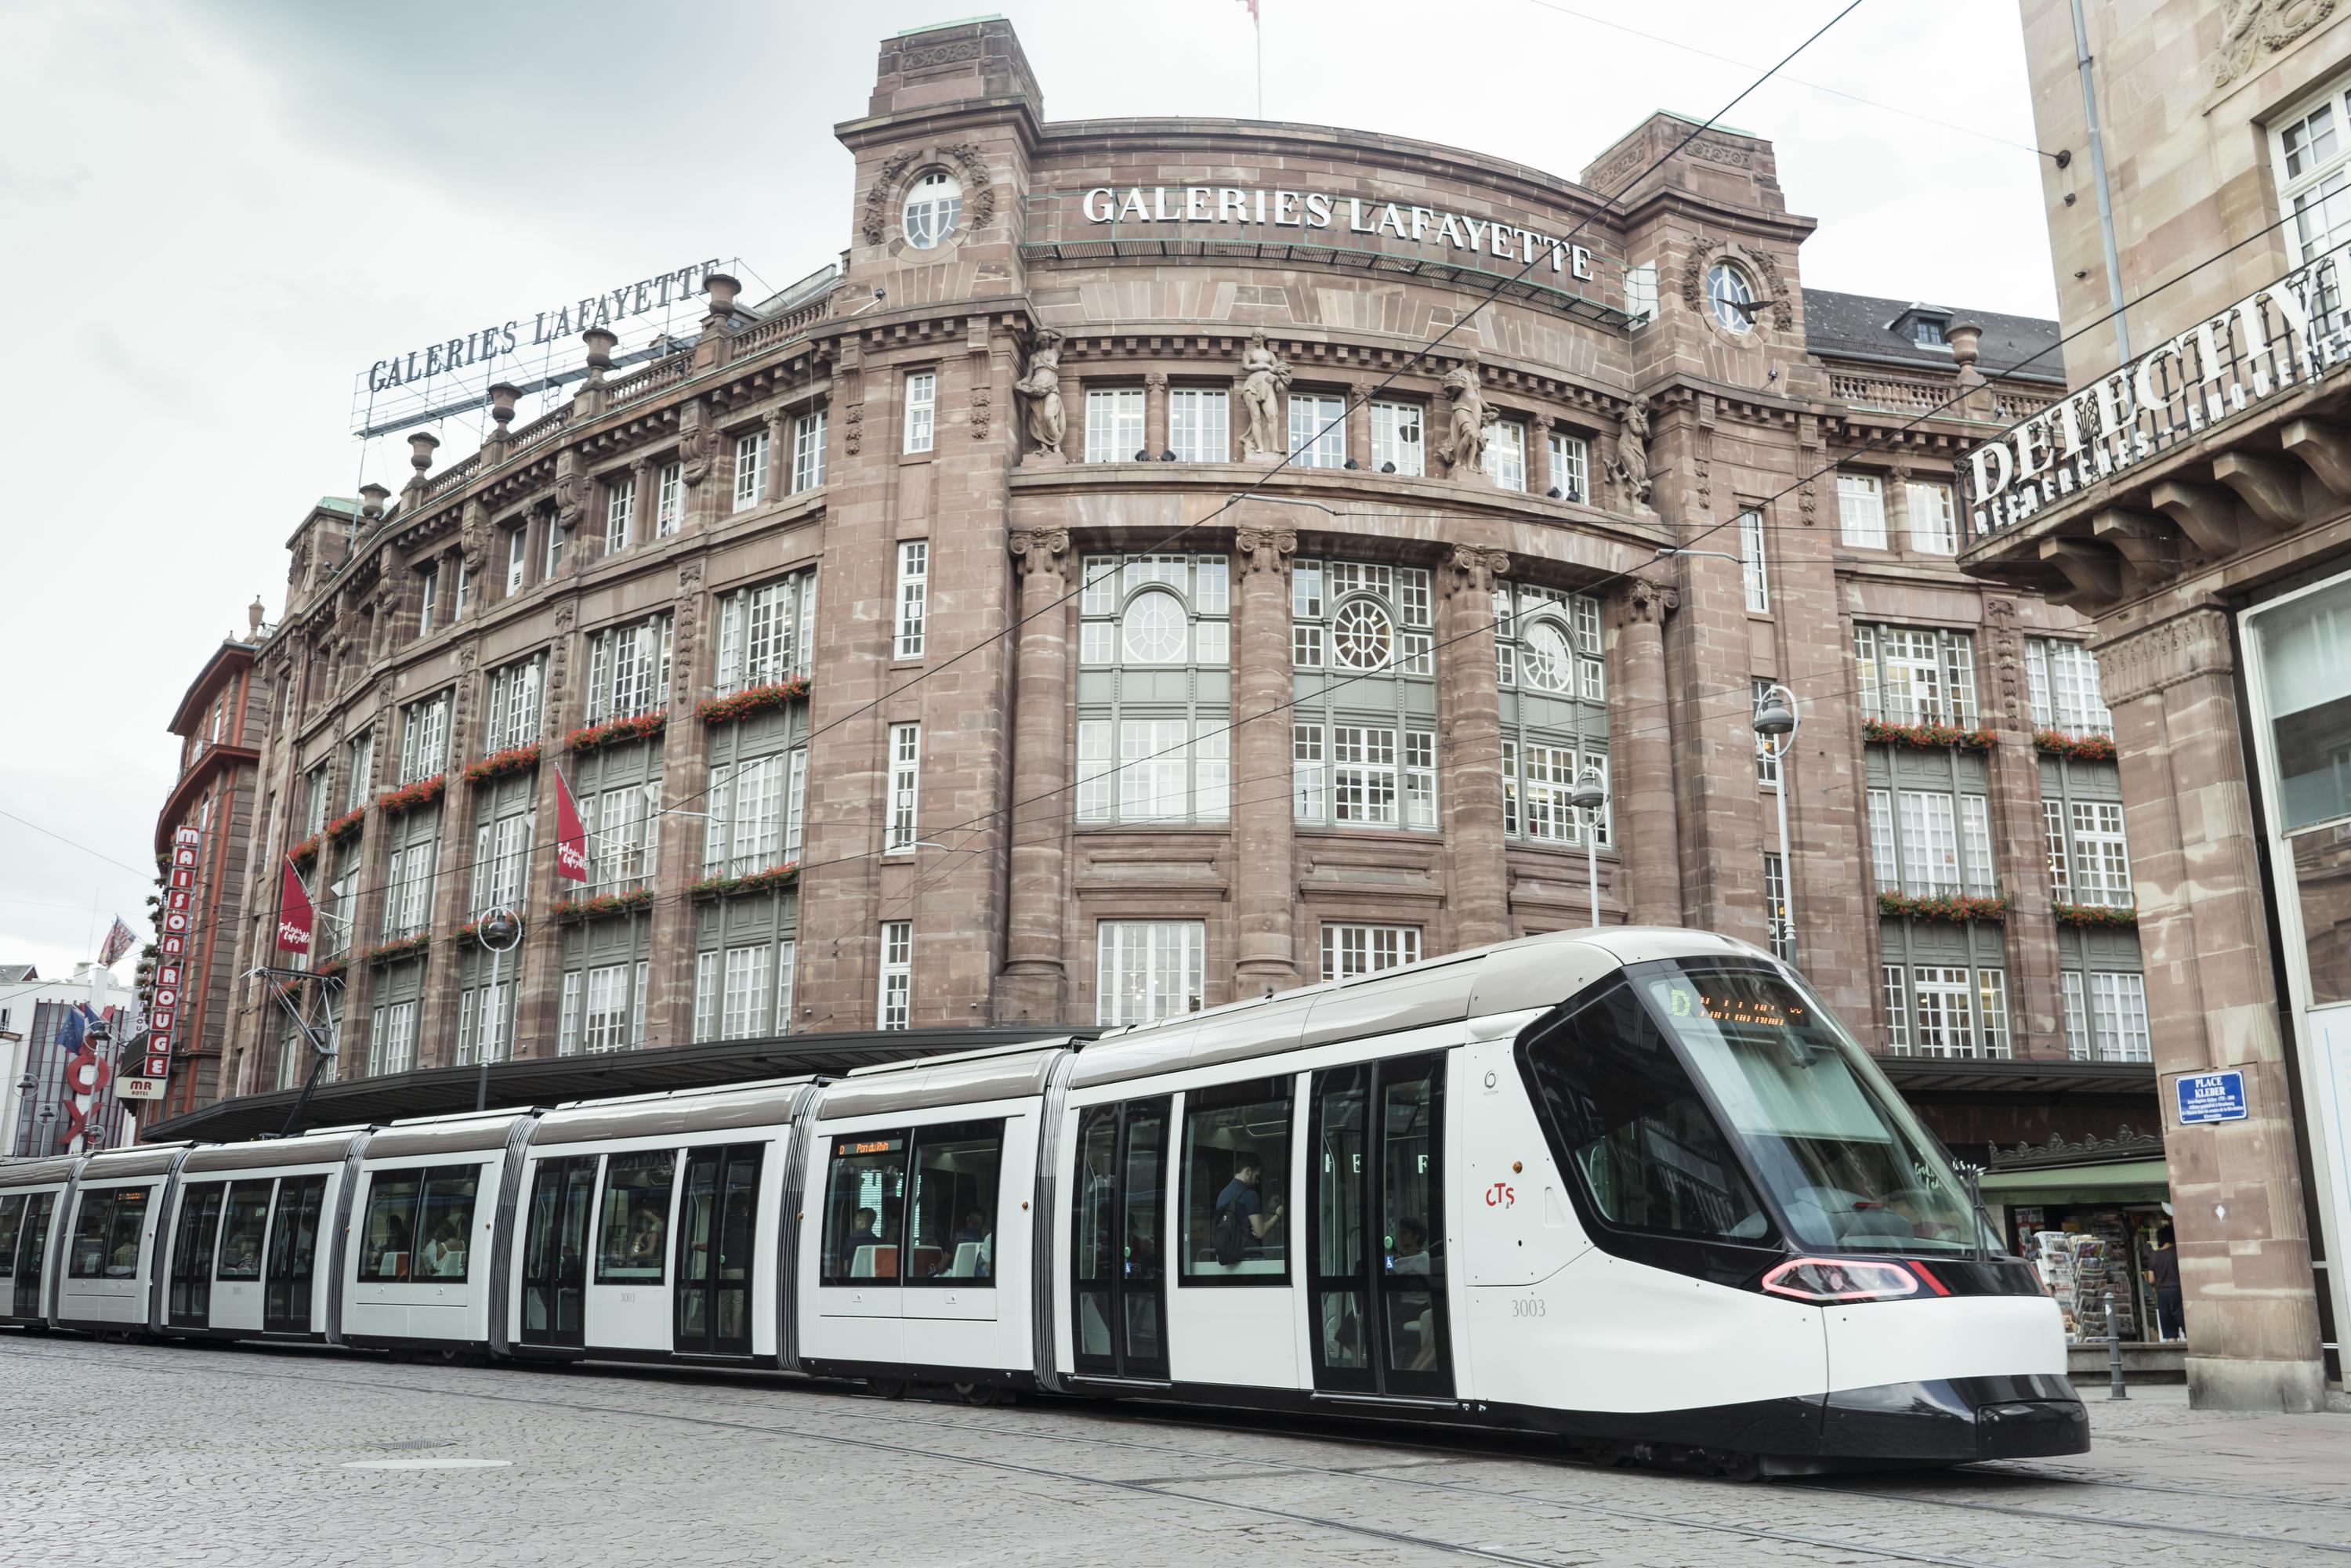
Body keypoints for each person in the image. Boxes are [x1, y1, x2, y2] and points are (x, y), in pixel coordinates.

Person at [1213, 1152, 1284, 1263]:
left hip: (1231, 1259)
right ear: (1248, 1171)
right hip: (1251, 1257)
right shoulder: (1250, 1195)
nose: (1257, 1182)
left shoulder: (1223, 1194)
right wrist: (1278, 1215)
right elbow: (1260, 1232)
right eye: (1257, 1176)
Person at [2145, 1225, 2184, 1342]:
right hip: (2178, 1292)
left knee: (2170, 1332)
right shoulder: (2178, 1253)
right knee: (2187, 1325)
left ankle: (2173, 1355)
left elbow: (2151, 1280)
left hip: (2162, 1294)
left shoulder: (2155, 1255)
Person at [843, 1206, 884, 1273]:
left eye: (856, 1219)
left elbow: (846, 1268)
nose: (855, 1222)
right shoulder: (880, 1243)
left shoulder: (850, 1240)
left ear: (862, 1222)